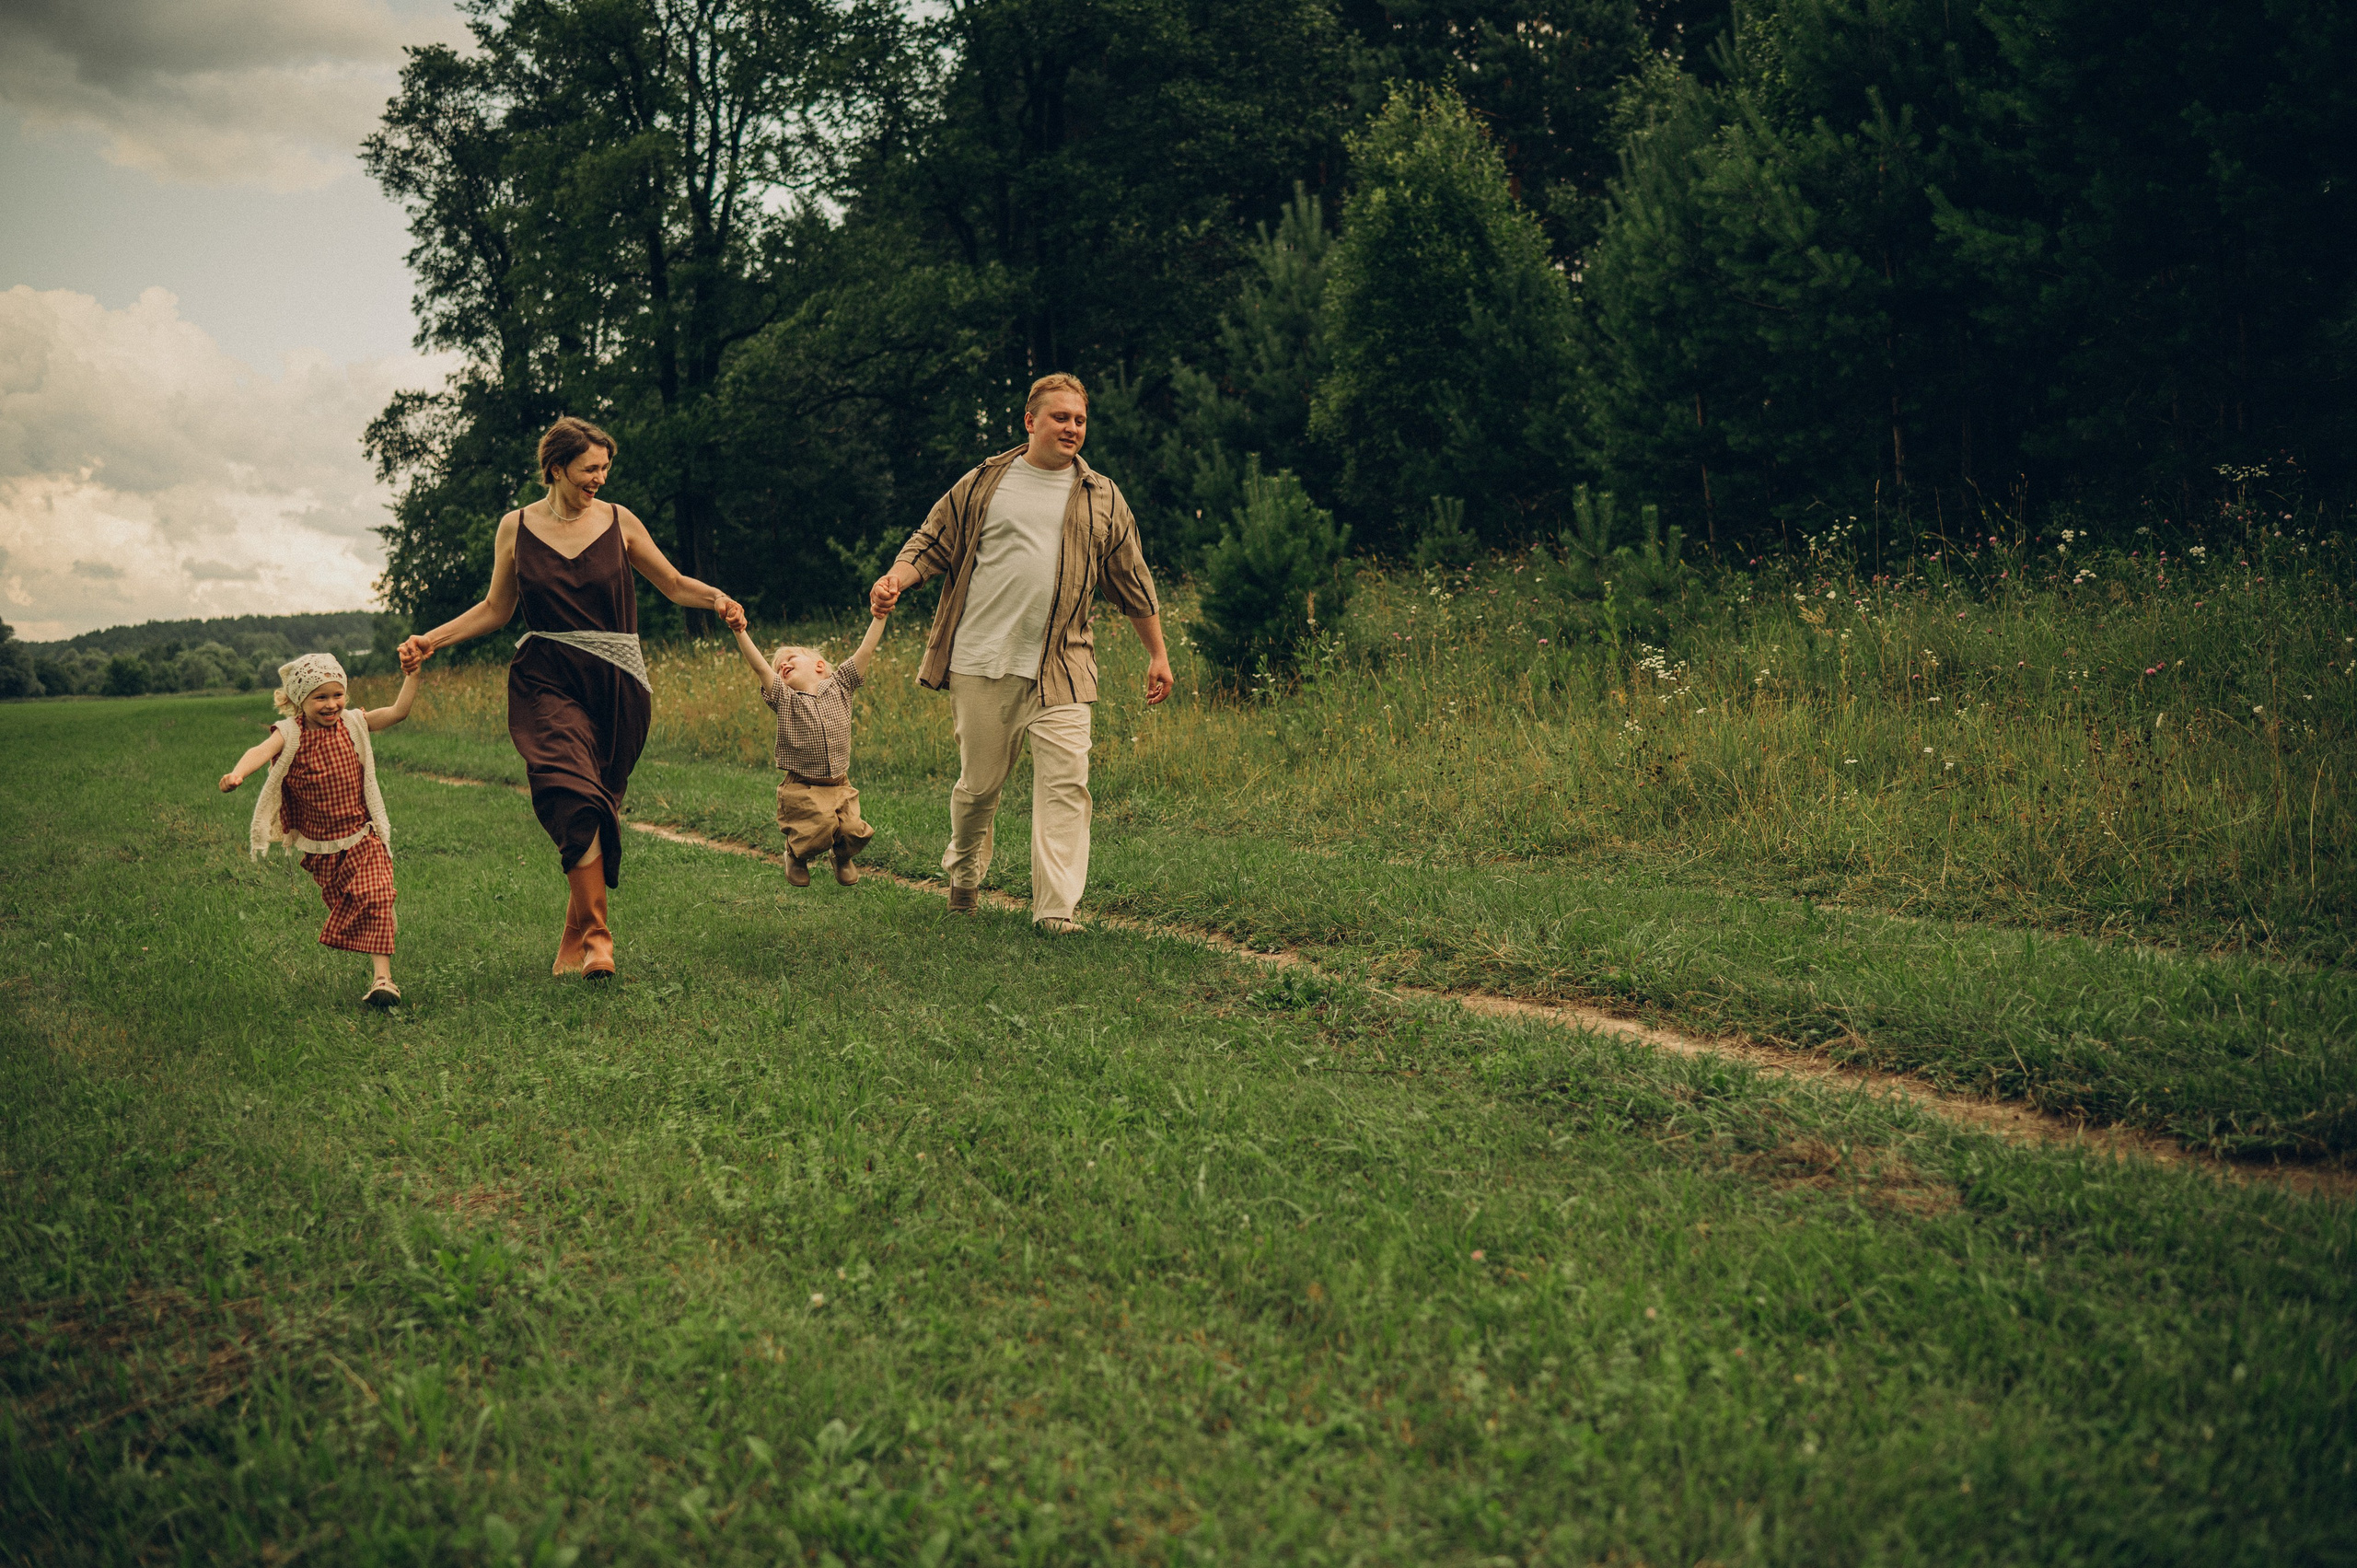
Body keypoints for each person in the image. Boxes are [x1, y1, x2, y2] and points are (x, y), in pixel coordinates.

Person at [397, 416, 746, 980]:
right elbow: (496, 609)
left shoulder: (619, 521)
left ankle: (573, 941)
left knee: (598, 803)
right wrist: (430, 639)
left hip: (616, 681)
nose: (599, 480)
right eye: (590, 469)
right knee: (569, 791)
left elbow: (675, 584)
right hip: (546, 676)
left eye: (605, 469)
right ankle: (601, 940)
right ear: (556, 469)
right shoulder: (515, 527)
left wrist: (717, 599)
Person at [868, 372, 1173, 935]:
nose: (1073, 429)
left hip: (1063, 663)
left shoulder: (1101, 495)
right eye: (1061, 418)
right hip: (982, 659)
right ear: (1030, 421)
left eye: (1080, 420)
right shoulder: (986, 481)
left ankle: (1055, 911)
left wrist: (1157, 653)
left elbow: (1131, 576)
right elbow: (932, 540)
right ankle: (963, 874)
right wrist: (896, 579)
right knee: (979, 787)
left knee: (1066, 782)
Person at [220, 652, 422, 1007]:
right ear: (300, 699)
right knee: (355, 902)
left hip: (363, 834)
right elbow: (259, 750)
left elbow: (398, 712)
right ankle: (377, 972)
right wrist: (239, 774)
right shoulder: (290, 733)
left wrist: (413, 674)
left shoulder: (354, 723)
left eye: (338, 694)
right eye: (321, 697)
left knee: (377, 894)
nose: (332, 704)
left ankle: (383, 979)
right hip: (322, 847)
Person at [728, 601, 891, 888]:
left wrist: (879, 617)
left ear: (819, 666)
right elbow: (760, 667)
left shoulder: (841, 684)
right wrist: (740, 631)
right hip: (803, 784)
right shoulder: (785, 699)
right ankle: (795, 855)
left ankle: (842, 857)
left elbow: (865, 651)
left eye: (790, 658)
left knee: (853, 830)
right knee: (816, 830)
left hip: (840, 781)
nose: (782, 666)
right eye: (779, 668)